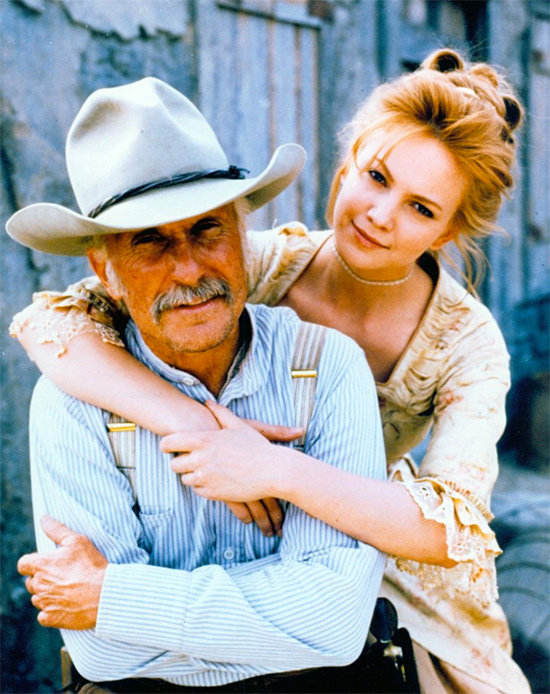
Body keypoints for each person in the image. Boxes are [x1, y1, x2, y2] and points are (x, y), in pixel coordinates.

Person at [9, 49, 531, 693]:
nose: (380, 214)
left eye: (422, 209)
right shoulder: (256, 260)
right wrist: (193, 424)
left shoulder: (466, 344)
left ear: (447, 232)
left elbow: (451, 531)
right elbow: (52, 326)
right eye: (377, 177)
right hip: (268, 561)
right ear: (347, 165)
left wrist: (273, 468)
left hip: (386, 565)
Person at [10, 77, 388, 692]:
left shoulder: (327, 369)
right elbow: (106, 655)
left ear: (245, 238)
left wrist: (116, 597)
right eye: (150, 241)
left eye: (208, 228)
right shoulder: (70, 403)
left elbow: (337, 624)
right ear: (105, 269)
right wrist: (279, 624)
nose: (188, 268)